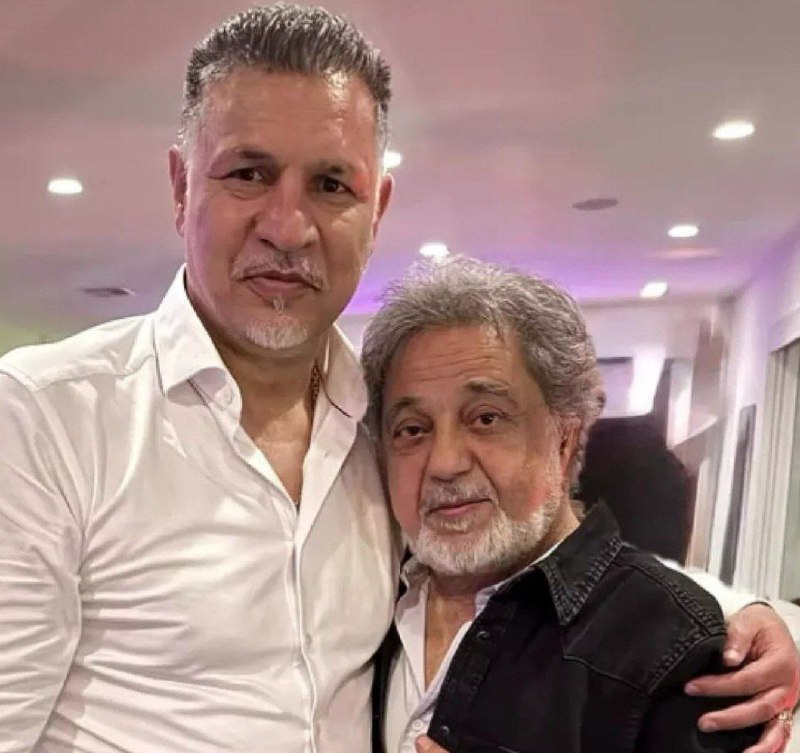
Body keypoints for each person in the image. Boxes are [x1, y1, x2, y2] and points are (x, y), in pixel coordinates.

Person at [0, 5, 795, 753]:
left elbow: (528, 555)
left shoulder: (385, 425)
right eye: (248, 172)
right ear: (181, 187)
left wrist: (738, 619)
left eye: (330, 184)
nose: (288, 226)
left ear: (376, 209)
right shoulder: (44, 418)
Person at [362, 257, 790, 753]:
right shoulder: (368, 595)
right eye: (412, 429)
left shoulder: (674, 644)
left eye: (486, 418)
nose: (445, 463)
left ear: (563, 440)